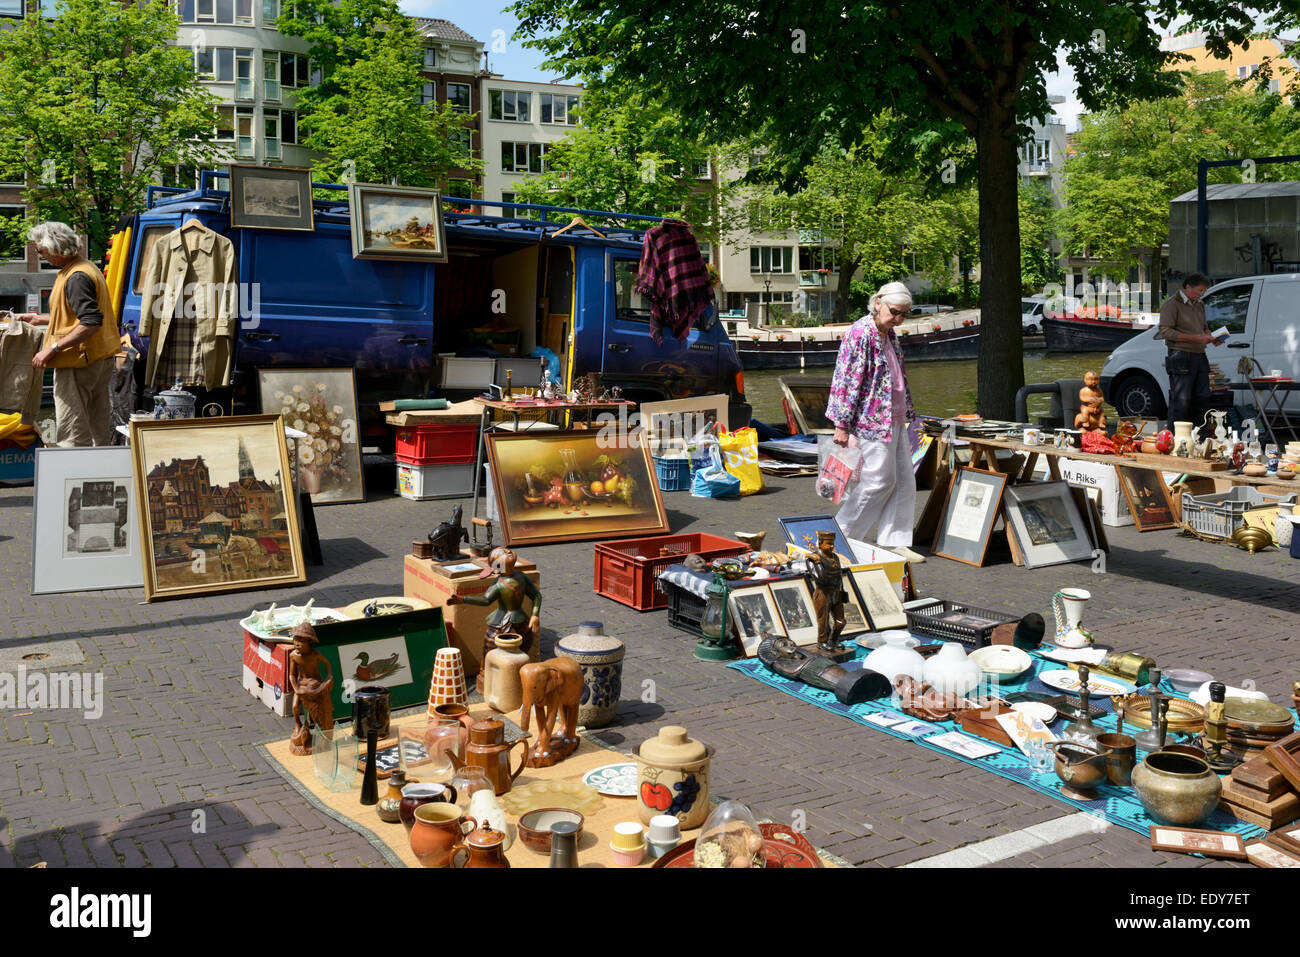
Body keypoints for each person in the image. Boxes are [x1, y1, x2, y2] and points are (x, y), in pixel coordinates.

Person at [826, 281, 924, 563]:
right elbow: (846, 380)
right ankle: (841, 535)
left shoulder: (889, 334)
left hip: (892, 416)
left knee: (904, 480)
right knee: (879, 480)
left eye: (905, 313)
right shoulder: (861, 333)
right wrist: (842, 424)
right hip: (870, 419)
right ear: (878, 302)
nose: (899, 319)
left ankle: (895, 541)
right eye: (895, 312)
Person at [18, 222, 120, 446]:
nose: (40, 255)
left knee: (72, 428)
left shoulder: (75, 278)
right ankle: (100, 474)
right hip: (99, 359)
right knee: (97, 426)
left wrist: (52, 349)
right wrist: (40, 319)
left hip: (77, 363)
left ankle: (74, 477)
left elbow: (91, 323)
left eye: (41, 251)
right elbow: (82, 317)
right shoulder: (85, 267)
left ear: (56, 248)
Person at [1157, 272, 1215, 428]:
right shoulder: (1172, 304)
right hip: (1180, 355)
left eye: (1204, 291)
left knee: (1202, 397)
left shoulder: (1199, 304)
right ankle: (1177, 438)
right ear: (1188, 287)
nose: (1202, 294)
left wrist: (1210, 336)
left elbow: (1204, 327)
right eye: (1200, 290)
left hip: (1199, 354)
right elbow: (1165, 331)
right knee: (1181, 400)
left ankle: (1200, 437)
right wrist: (1197, 338)